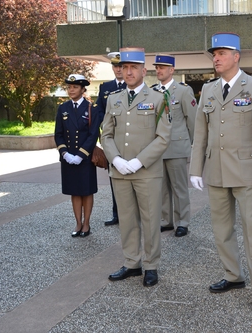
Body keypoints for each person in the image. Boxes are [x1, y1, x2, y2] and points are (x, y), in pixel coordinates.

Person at [189, 33, 252, 311]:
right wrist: (195, 169)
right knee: (221, 229)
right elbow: (200, 132)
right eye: (214, 54)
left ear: (236, 56)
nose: (216, 58)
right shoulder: (208, 89)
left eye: (222, 53)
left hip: (246, 171)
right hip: (216, 170)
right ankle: (233, 275)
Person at [101, 47, 172, 287]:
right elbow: (106, 135)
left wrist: (138, 161)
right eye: (124, 68)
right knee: (128, 220)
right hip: (120, 172)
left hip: (147, 172)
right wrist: (117, 159)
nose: (128, 72)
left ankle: (151, 265)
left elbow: (163, 137)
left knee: (151, 219)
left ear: (144, 70)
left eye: (133, 68)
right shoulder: (113, 98)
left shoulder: (158, 98)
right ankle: (132, 263)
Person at [152, 54, 197, 237]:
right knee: (162, 188)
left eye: (162, 67)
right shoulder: (152, 92)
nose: (158, 70)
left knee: (179, 188)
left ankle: (183, 222)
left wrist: (194, 145)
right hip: (158, 148)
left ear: (172, 70)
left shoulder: (183, 91)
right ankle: (166, 220)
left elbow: (192, 120)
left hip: (177, 146)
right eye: (156, 67)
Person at [54, 74, 100, 238]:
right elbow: (58, 134)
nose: (71, 90)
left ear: (82, 89)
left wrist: (81, 155)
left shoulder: (91, 108)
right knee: (75, 191)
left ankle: (86, 223)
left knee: (86, 191)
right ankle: (78, 223)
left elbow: (93, 134)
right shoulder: (63, 108)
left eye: (74, 87)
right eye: (69, 87)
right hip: (68, 157)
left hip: (85, 158)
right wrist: (64, 153)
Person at [95, 51, 127, 227]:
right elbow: (100, 111)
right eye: (115, 66)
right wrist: (103, 129)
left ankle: (131, 215)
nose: (118, 70)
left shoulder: (130, 86)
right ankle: (116, 214)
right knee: (114, 177)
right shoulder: (105, 88)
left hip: (128, 138)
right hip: (111, 140)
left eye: (121, 66)